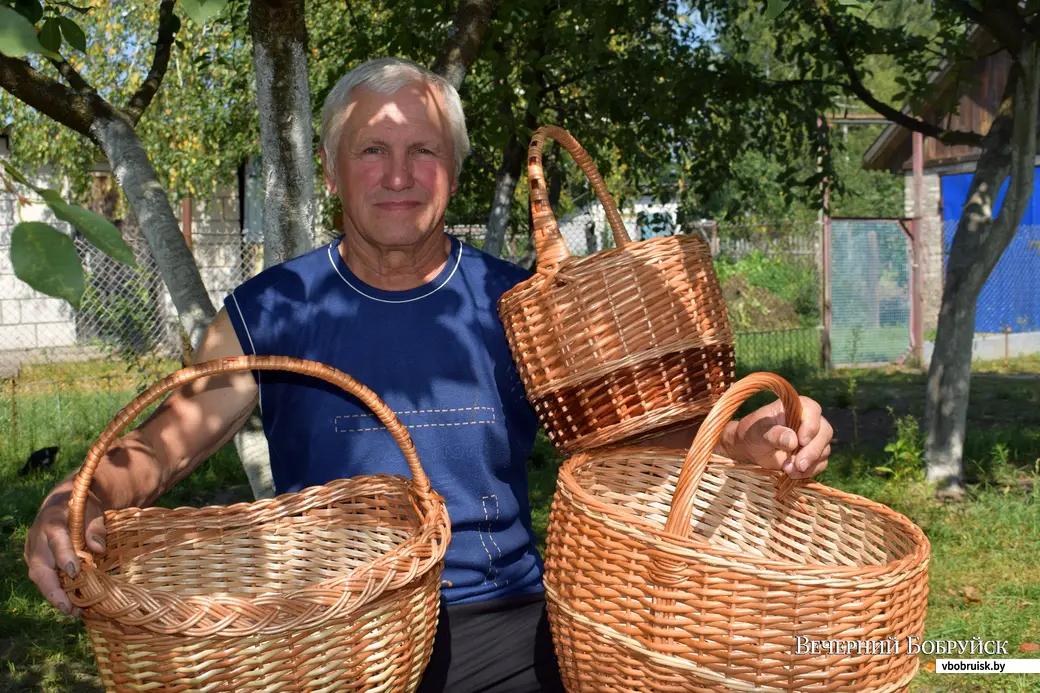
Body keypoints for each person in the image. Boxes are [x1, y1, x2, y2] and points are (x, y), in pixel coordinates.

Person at [24, 57, 834, 692]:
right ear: (335, 172)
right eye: (372, 150)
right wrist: (81, 496)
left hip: (505, 631)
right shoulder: (272, 308)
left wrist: (739, 440)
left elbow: (630, 446)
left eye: (423, 151)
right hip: (327, 640)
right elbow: (169, 441)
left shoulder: (519, 304)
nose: (399, 174)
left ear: (452, 170)